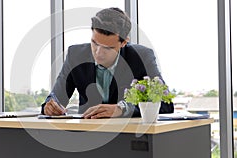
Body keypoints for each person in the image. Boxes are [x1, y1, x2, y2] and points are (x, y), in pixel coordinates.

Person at [41, 7, 174, 119]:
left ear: (123, 42)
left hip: (128, 138)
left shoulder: (142, 57)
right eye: (94, 43)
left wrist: (122, 109)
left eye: (107, 48)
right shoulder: (75, 55)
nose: (98, 52)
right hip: (86, 134)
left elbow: (166, 103)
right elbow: (55, 98)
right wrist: (50, 106)